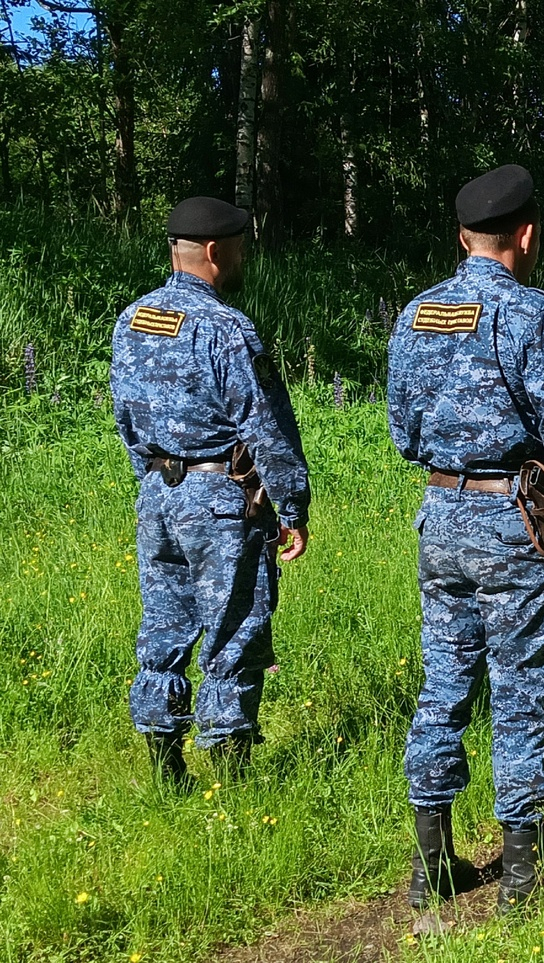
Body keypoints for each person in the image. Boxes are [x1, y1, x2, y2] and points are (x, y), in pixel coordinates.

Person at [387, 164, 544, 913]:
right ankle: (518, 875)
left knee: (443, 681)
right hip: (515, 524)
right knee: (523, 688)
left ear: (461, 236)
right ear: (526, 233)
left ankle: (430, 864)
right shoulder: (530, 314)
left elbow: (401, 431)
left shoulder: (416, 313)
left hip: (440, 519)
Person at [111, 196, 310, 788]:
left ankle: (167, 770)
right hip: (221, 499)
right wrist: (291, 505)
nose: (245, 258)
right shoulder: (226, 327)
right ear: (218, 251)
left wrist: (152, 477)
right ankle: (233, 777)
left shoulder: (133, 319)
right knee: (235, 629)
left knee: (163, 628)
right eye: (243, 248)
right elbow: (266, 425)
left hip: (157, 494)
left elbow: (125, 414)